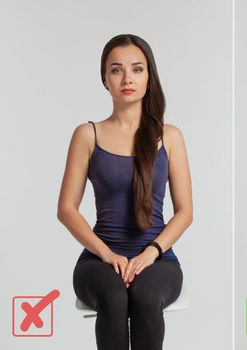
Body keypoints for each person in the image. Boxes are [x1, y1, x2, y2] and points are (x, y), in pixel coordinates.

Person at [57, 34, 193, 350]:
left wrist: (151, 253)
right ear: (105, 79)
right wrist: (107, 254)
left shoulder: (169, 137)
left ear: (149, 77)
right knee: (115, 295)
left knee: (145, 296)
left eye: (137, 69)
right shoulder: (87, 135)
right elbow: (66, 208)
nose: (127, 78)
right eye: (116, 70)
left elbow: (185, 212)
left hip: (158, 259)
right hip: (98, 260)